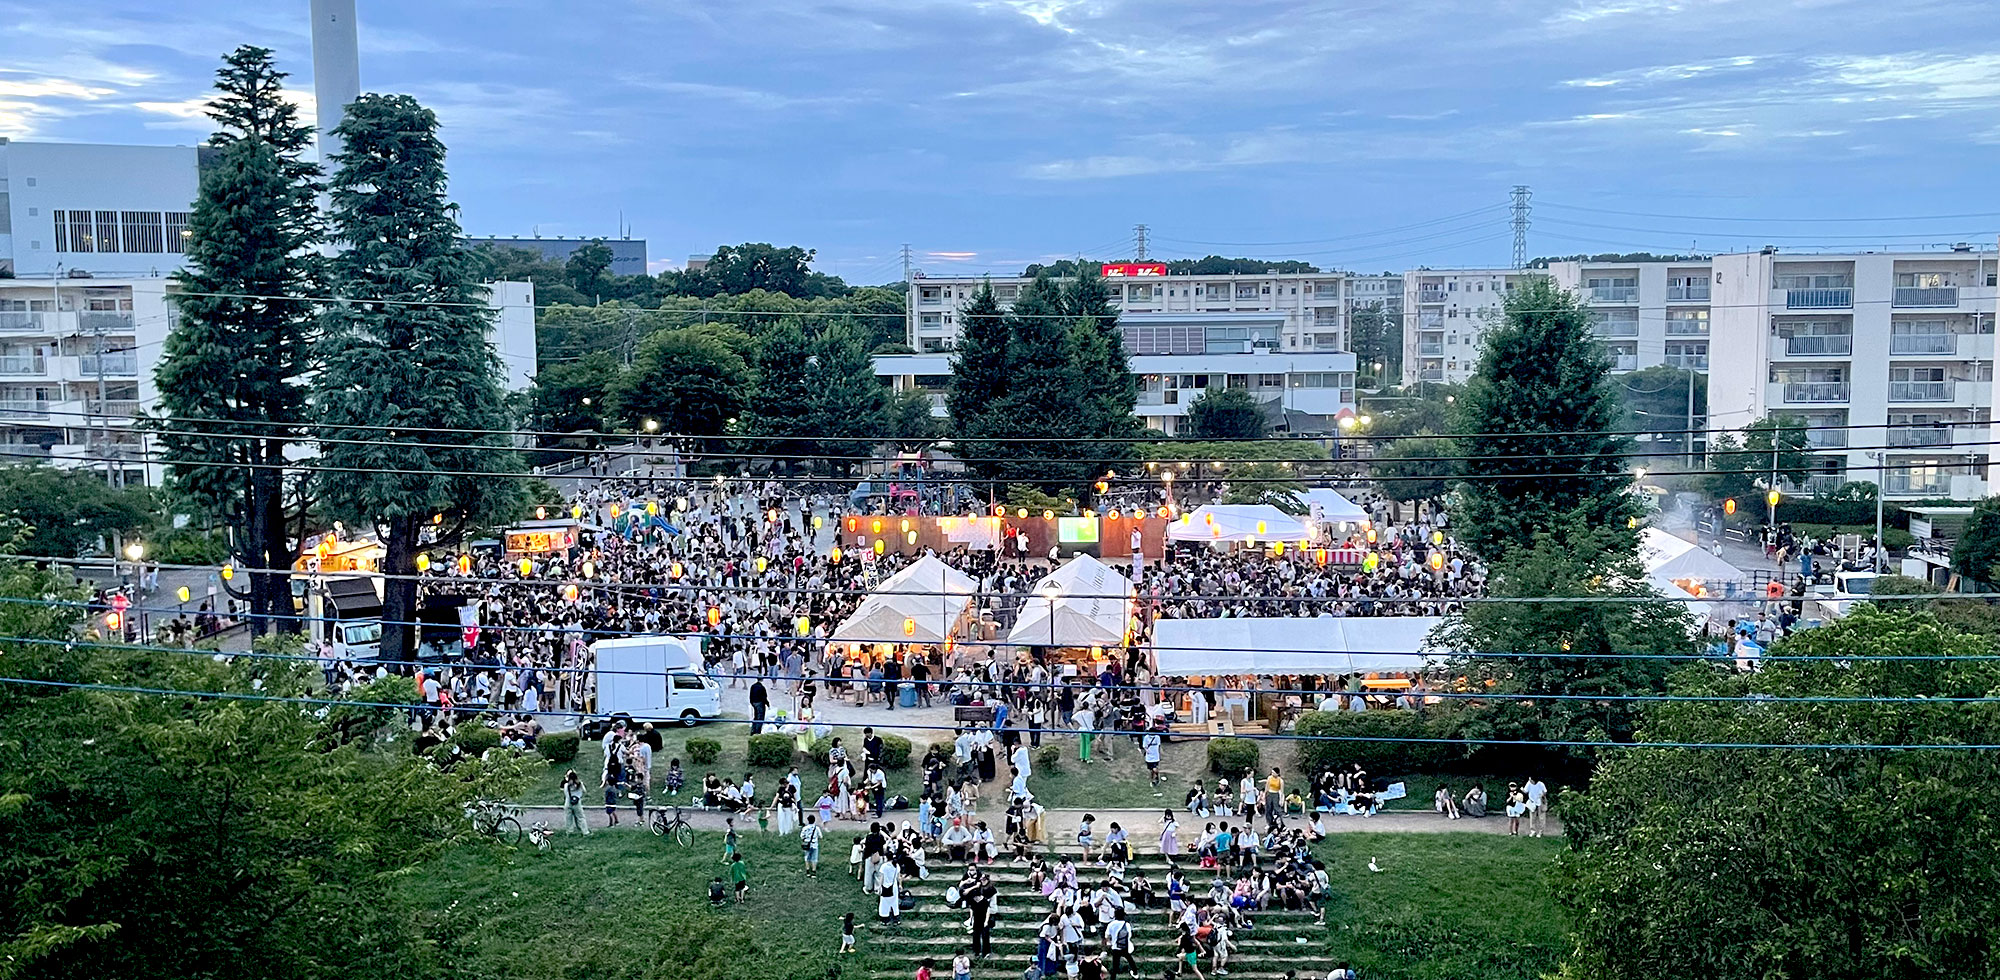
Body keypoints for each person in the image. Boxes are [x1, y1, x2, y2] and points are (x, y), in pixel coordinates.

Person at [562, 769, 589, 835]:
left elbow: (565, 793)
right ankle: (585, 832)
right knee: (581, 817)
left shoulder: (566, 785)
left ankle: (569, 832)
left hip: (568, 803)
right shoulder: (579, 784)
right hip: (577, 803)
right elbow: (584, 791)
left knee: (568, 819)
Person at [801, 813, 824, 877]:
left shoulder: (805, 828)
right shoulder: (817, 828)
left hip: (807, 845)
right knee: (814, 858)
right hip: (814, 845)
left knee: (807, 857)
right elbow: (820, 836)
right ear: (814, 820)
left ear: (808, 820)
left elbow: (802, 836)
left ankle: (808, 871)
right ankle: (814, 871)